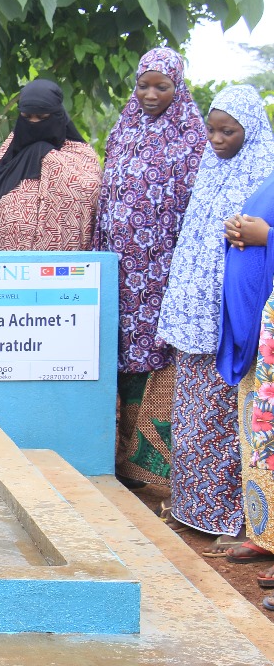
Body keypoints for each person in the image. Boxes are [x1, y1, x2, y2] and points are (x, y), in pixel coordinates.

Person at [157, 85, 274, 551]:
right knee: (193, 417)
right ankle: (194, 510)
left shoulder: (264, 170)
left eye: (229, 131)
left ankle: (234, 518)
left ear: (252, 129)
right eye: (212, 130)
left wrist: (254, 235)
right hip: (195, 317)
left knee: (232, 421)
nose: (218, 139)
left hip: (234, 320)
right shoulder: (210, 166)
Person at [93, 48, 207, 488]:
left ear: (177, 88)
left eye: (162, 86)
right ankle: (119, 457)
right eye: (144, 85)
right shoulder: (123, 132)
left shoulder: (193, 136)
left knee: (154, 359)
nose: (151, 94)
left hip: (162, 272)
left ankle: (154, 469)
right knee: (117, 355)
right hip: (121, 271)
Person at [218, 170, 274, 571]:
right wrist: (237, 233)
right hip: (262, 333)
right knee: (259, 435)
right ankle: (264, 532)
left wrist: (266, 238)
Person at [0, 79, 101, 251]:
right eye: (27, 117)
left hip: (62, 270)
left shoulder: (80, 154)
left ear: (58, 115)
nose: (34, 123)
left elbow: (89, 192)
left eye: (42, 117)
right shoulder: (8, 152)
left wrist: (47, 155)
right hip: (8, 267)